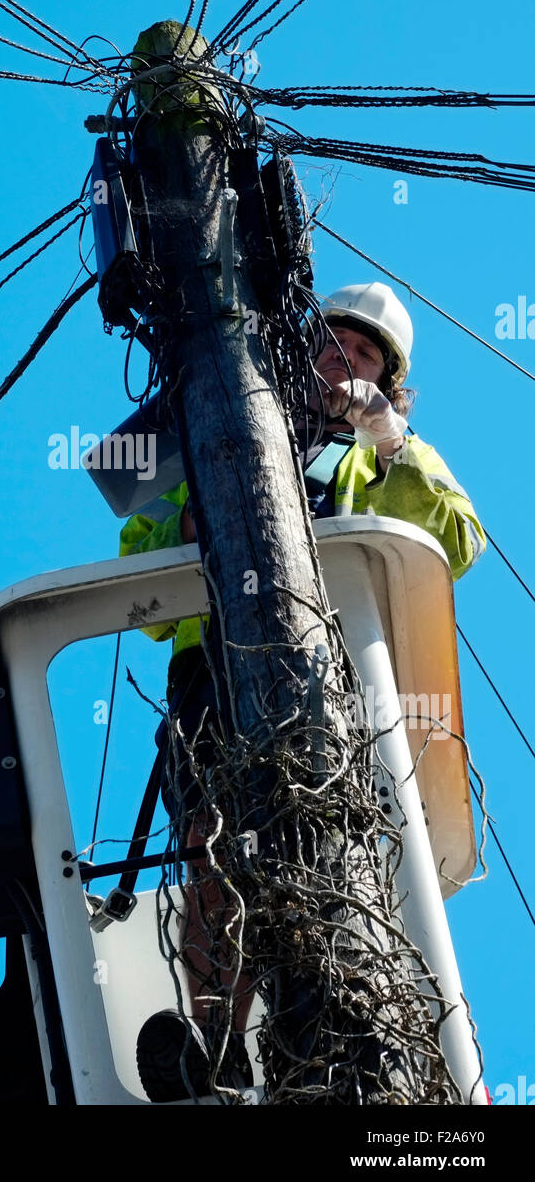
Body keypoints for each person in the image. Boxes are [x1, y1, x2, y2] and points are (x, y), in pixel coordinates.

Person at [119, 282, 486, 1103]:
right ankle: (214, 1052)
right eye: (333, 343)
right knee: (215, 849)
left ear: (386, 381)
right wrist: (185, 524)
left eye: (364, 356)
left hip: (336, 686)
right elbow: (138, 565)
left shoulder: (381, 460)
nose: (344, 361)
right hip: (212, 675)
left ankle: (355, 1037)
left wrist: (390, 439)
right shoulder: (215, 424)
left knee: (332, 852)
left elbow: (457, 542)